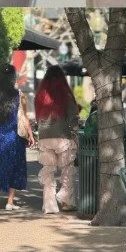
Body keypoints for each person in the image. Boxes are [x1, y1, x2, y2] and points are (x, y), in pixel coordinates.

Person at [0, 64, 32, 212]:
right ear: (12, 78)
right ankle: (10, 202)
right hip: (13, 137)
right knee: (15, 167)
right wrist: (30, 134)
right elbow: (23, 117)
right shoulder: (18, 94)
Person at [33, 65, 79, 214]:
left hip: (45, 138)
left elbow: (37, 119)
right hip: (63, 137)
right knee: (67, 170)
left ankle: (49, 205)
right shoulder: (65, 95)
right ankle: (66, 200)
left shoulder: (39, 96)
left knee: (47, 171)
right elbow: (73, 118)